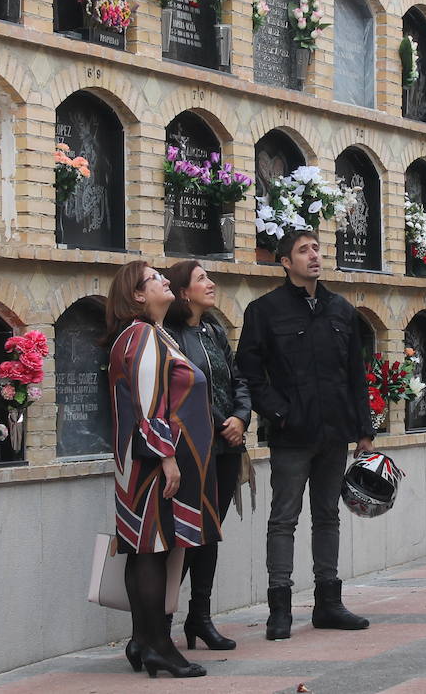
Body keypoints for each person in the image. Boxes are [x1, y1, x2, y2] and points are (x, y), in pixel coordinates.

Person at [235, 229, 376, 641]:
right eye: (303, 250)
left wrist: (363, 431)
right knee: (283, 520)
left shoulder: (341, 310)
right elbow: (248, 371)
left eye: (316, 248)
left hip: (334, 434)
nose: (314, 256)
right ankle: (279, 608)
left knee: (328, 517)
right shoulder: (264, 312)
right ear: (285, 262)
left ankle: (328, 604)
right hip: (291, 436)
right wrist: (280, 412)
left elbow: (355, 375)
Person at [104, 260, 220, 679]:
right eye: (155, 278)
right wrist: (168, 458)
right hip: (153, 462)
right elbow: (148, 402)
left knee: (145, 552)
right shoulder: (143, 336)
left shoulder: (149, 334)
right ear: (137, 295)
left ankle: (143, 640)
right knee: (152, 550)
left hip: (143, 460)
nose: (165, 280)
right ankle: (159, 647)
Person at [164, 260, 252, 651]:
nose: (211, 284)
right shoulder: (170, 336)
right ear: (183, 291)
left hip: (227, 448)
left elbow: (238, 378)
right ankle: (159, 621)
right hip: (194, 450)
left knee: (210, 535)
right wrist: (222, 422)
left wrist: (241, 416)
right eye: (202, 279)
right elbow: (186, 391)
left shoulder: (214, 331)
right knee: (186, 536)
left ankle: (200, 616)